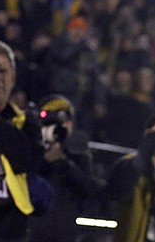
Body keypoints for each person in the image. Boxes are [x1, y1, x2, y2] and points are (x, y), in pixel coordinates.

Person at [0, 39, 45, 242]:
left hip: (8, 229)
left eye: (3, 72)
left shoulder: (26, 123)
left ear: (13, 78)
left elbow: (26, 161)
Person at [28, 94, 105, 242]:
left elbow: (89, 189)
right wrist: (44, 158)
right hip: (32, 229)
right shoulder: (30, 148)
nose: (60, 127)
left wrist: (63, 163)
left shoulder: (78, 153)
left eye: (65, 121)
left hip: (64, 231)